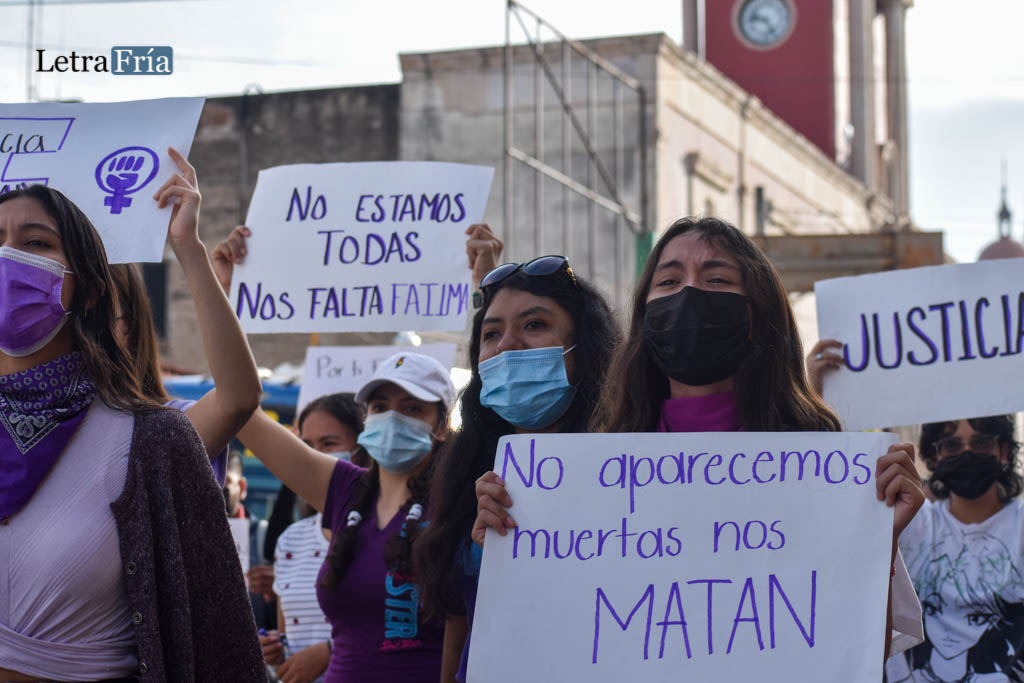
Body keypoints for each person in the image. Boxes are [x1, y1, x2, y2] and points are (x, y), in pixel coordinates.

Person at [473, 216, 926, 660]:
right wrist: (510, 544)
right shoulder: (591, 469)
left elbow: (859, 653)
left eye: (716, 278)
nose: (689, 293)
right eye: (669, 281)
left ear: (756, 315)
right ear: (645, 316)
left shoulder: (819, 461)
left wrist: (878, 540)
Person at [0, 179, 264, 680]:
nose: (7, 258)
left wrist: (188, 247)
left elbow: (238, 399)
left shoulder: (148, 438)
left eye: (35, 243)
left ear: (90, 289)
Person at [413, 242, 620, 682]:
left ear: (582, 351)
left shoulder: (629, 471)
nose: (507, 345)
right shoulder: (467, 474)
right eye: (490, 333)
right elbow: (461, 623)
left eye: (535, 325)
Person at [884, 417, 1024, 682]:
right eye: (952, 445)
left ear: (1003, 451)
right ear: (934, 456)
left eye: (981, 443)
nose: (967, 453)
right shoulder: (908, 522)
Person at [261, 393, 367, 683]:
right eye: (305, 446)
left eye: (329, 444)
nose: (313, 456)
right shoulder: (291, 540)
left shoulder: (390, 531)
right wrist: (275, 650)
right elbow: (289, 638)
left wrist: (331, 652)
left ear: (365, 446)